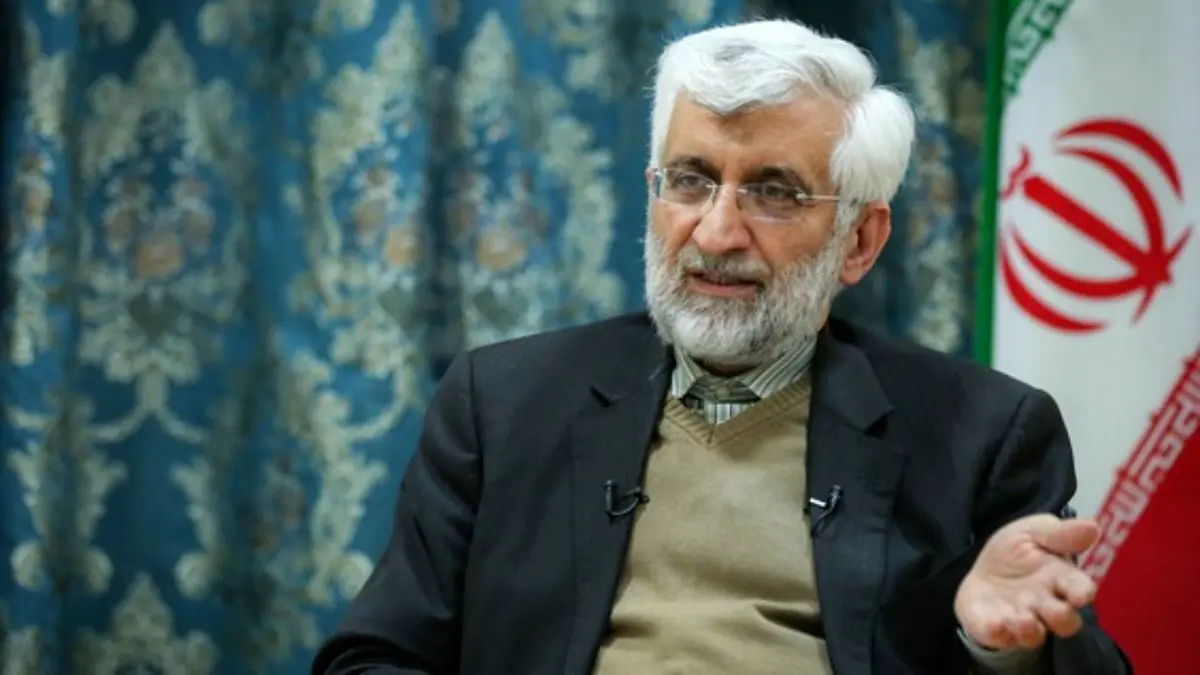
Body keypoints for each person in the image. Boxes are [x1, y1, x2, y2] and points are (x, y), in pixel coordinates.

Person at [311, 19, 1131, 675]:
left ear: (858, 240)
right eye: (691, 179)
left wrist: (1005, 651)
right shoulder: (501, 404)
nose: (715, 232)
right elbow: (374, 655)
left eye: (773, 192)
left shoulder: (980, 433)